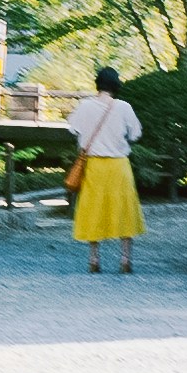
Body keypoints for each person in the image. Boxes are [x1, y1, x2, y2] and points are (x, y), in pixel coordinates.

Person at [66, 68, 145, 275]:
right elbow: (136, 134)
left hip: (94, 166)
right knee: (124, 209)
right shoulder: (123, 107)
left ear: (97, 84)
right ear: (116, 85)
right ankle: (125, 259)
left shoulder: (85, 106)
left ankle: (94, 259)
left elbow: (73, 129)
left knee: (94, 209)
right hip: (119, 165)